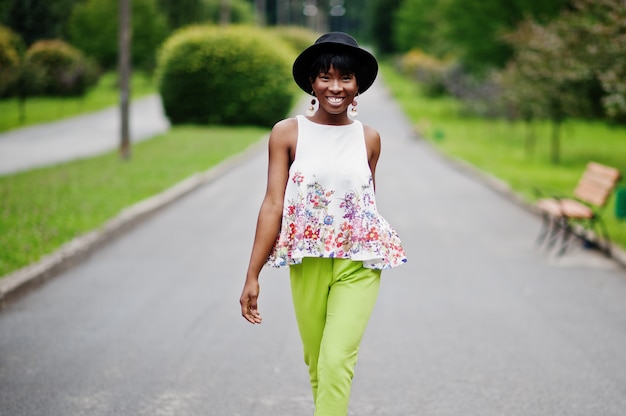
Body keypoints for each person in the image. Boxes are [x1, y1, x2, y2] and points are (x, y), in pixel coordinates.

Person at [239, 32, 407, 416]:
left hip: (359, 264)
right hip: (308, 260)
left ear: (357, 85)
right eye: (326, 77)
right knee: (317, 365)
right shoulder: (287, 132)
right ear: (312, 82)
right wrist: (253, 274)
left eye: (345, 79)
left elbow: (367, 202)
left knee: (335, 362)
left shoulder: (369, 139)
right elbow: (272, 204)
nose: (336, 87)